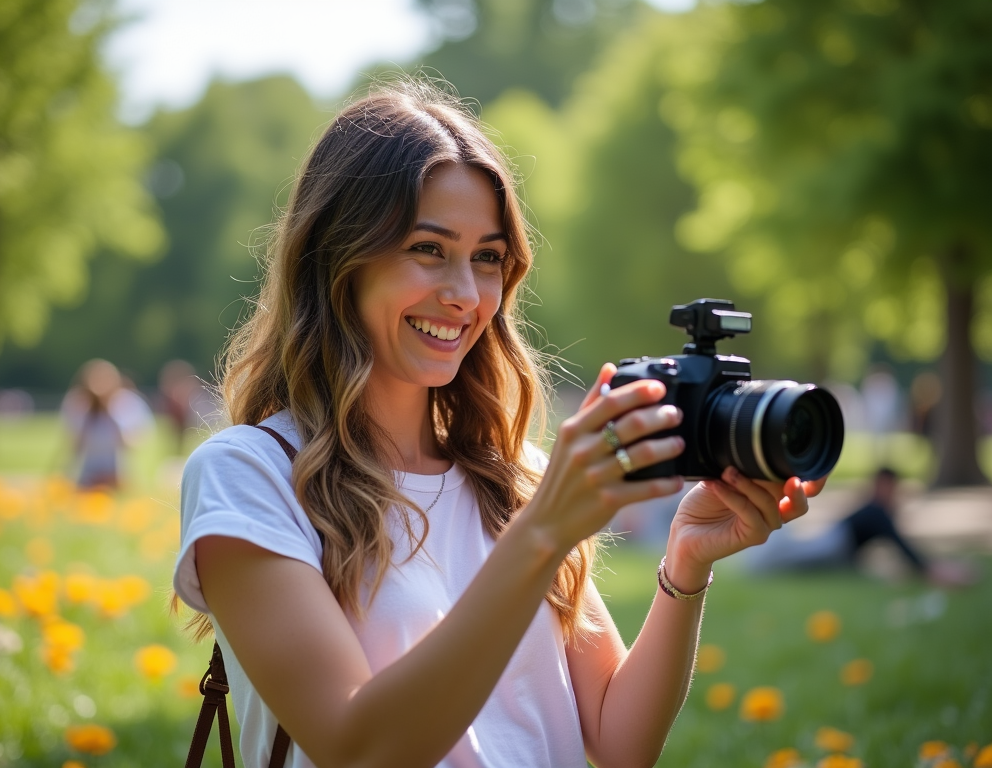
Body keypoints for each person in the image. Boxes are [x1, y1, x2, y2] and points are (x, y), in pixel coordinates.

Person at [172, 80, 825, 768]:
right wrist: (542, 533)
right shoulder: (249, 477)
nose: (464, 295)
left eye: (487, 257)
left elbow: (619, 739)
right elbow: (359, 748)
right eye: (429, 248)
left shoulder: (515, 479)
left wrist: (684, 564)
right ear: (339, 258)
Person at [742, 467, 975, 587]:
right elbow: (901, 546)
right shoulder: (876, 512)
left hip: (832, 545)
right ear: (883, 485)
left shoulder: (874, 513)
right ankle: (935, 571)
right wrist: (931, 570)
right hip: (829, 546)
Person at [60, 359, 152, 489]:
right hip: (88, 472)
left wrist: (112, 415)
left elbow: (135, 443)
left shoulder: (127, 403)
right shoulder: (78, 404)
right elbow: (74, 446)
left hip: (119, 472)